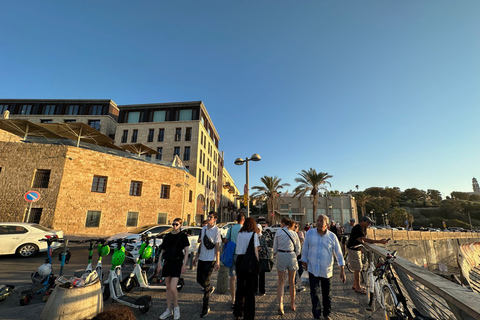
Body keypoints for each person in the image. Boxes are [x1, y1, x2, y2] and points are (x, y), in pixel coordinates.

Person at [301, 214, 346, 320]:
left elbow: (338, 253)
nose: (319, 222)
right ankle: (316, 315)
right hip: (312, 269)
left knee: (327, 295)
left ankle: (326, 314)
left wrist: (342, 269)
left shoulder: (332, 236)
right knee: (314, 293)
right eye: (318, 220)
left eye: (322, 221)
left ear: (327, 224)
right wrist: (304, 260)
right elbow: (305, 248)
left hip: (327, 270)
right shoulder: (310, 234)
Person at [157, 218, 190, 320]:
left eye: (176, 224)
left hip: (177, 262)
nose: (174, 226)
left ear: (180, 225)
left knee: (172, 287)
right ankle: (168, 309)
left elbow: (186, 251)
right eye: (173, 224)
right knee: (167, 287)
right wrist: (159, 263)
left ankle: (176, 307)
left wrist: (184, 265)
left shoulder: (183, 236)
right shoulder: (168, 236)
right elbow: (162, 251)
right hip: (168, 262)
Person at [347, 216, 389, 294]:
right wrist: (379, 241)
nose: (369, 224)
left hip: (357, 249)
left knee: (358, 267)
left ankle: (355, 284)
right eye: (368, 222)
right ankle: (358, 287)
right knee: (358, 268)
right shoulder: (357, 228)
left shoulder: (363, 228)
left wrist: (365, 241)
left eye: (370, 223)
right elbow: (364, 239)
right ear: (362, 221)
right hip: (353, 249)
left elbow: (363, 239)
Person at [193, 212, 221, 318]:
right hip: (202, 258)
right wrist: (196, 257)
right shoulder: (204, 229)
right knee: (199, 280)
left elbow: (217, 246)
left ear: (215, 219)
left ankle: (205, 307)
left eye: (211, 217)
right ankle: (208, 288)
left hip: (210, 259)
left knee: (205, 281)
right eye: (208, 217)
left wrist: (217, 261)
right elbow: (201, 243)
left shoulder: (217, 230)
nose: (209, 219)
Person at [233, 217, 260, 320]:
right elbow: (255, 251)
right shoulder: (254, 235)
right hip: (249, 262)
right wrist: (257, 263)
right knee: (250, 289)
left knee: (240, 287)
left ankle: (238, 311)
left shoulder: (240, 234)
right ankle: (248, 315)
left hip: (240, 260)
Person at [273, 217, 301, 315]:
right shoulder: (294, 233)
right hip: (291, 255)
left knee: (281, 282)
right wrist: (294, 254)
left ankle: (281, 305)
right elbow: (298, 249)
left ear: (283, 223)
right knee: (292, 282)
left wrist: (277, 253)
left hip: (281, 254)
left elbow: (275, 248)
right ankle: (292, 304)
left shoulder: (278, 232)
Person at [223, 213, 245, 308]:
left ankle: (233, 300)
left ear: (236, 220)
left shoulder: (231, 229)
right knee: (241, 278)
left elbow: (225, 240)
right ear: (243, 220)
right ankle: (241, 299)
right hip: (241, 255)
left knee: (232, 278)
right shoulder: (244, 229)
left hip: (232, 254)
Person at [254, 223, 267, 296]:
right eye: (256, 229)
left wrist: (260, 249)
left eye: (258, 229)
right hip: (255, 258)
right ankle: (254, 290)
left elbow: (266, 247)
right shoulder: (253, 236)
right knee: (255, 275)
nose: (257, 230)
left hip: (262, 258)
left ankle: (262, 290)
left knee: (262, 276)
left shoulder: (263, 237)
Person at [294, 222, 306, 292]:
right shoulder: (291, 233)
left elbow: (301, 240)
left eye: (296, 227)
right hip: (293, 254)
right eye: (294, 227)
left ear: (298, 227)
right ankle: (294, 284)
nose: (294, 228)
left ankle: (302, 285)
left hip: (300, 254)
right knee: (293, 270)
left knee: (300, 270)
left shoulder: (300, 233)